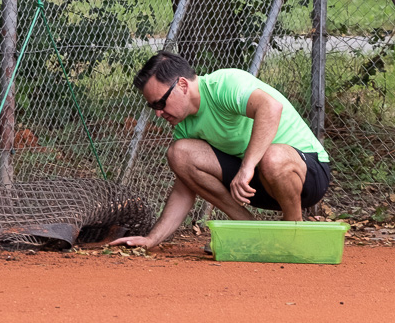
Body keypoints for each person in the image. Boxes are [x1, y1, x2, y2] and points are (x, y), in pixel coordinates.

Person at [109, 52, 331, 249]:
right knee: (179, 153)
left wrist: (247, 167)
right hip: (256, 183)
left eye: (160, 103)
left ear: (183, 85)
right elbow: (184, 190)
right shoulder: (185, 126)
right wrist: (151, 239)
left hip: (306, 175)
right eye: (153, 107)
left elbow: (271, 108)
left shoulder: (223, 84)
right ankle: (251, 230)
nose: (158, 113)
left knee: (272, 157)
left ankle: (294, 232)